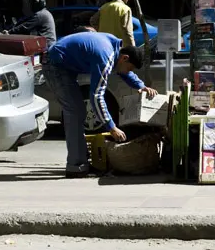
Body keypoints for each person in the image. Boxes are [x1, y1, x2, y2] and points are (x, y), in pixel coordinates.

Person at [43, 32, 158, 178]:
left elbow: (123, 70)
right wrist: (111, 127)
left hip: (63, 62)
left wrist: (140, 86)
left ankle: (80, 160)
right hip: (54, 65)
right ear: (124, 58)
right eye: (130, 68)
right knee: (75, 112)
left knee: (78, 112)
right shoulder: (105, 57)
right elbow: (96, 96)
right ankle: (76, 166)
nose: (128, 72)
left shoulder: (115, 49)